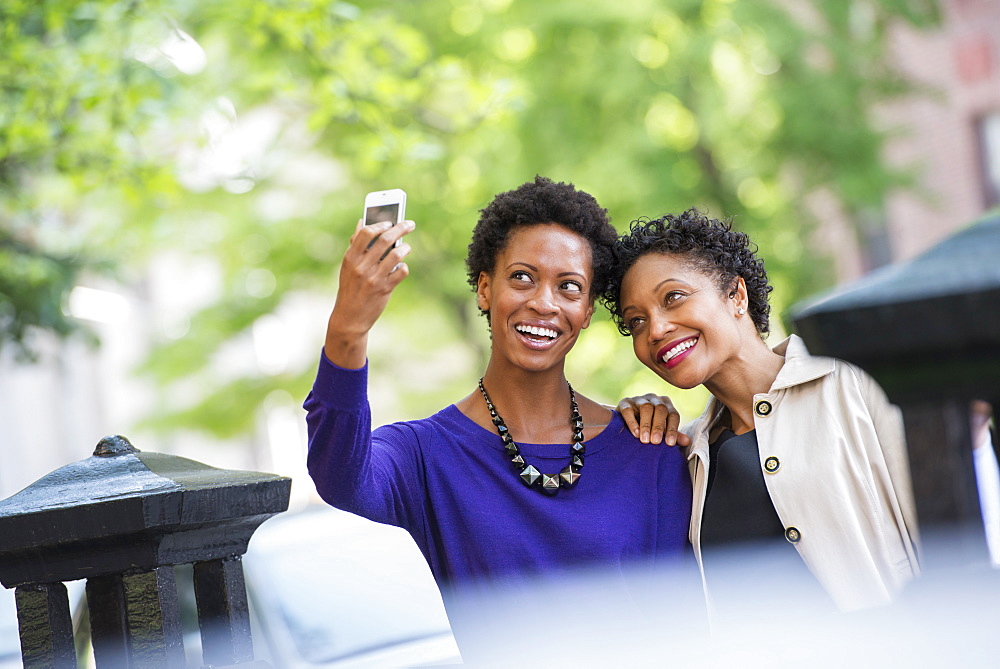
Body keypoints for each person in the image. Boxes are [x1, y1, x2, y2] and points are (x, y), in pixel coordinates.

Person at [303, 177, 694, 655]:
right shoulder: (425, 456)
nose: (544, 303)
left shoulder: (646, 447)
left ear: (588, 310)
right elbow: (339, 474)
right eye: (523, 277)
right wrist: (349, 326)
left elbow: (686, 626)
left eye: (569, 287)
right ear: (485, 288)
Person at [603, 209, 920, 614]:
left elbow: (955, 529)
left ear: (736, 295)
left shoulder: (855, 384)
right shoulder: (687, 457)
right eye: (637, 322)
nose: (656, 329)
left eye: (673, 297)